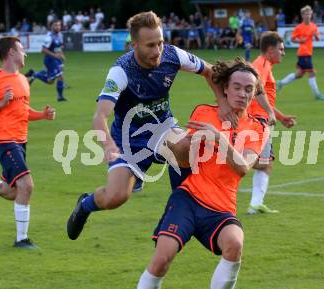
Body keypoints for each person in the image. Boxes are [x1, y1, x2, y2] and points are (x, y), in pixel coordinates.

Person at [66, 11, 241, 241]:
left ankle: (183, 208)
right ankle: (85, 205)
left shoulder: (172, 55)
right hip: (128, 140)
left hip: (162, 127)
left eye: (160, 42)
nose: (157, 51)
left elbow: (209, 71)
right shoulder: (121, 71)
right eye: (150, 45)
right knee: (115, 197)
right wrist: (108, 146)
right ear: (133, 45)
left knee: (186, 147)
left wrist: (222, 102)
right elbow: (100, 116)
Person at [136, 57, 266, 289]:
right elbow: (183, 156)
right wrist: (187, 140)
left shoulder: (257, 127)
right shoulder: (204, 112)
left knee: (234, 243)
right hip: (188, 198)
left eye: (249, 89)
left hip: (221, 207)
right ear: (225, 88)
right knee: (162, 259)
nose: (242, 93)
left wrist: (218, 138)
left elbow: (243, 167)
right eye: (236, 87)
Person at [0, 36, 56, 248]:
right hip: (5, 140)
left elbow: (22, 110)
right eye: (22, 49)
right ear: (11, 53)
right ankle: (21, 240)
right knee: (27, 185)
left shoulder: (23, 80)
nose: (25, 53)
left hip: (21, 141)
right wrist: (2, 102)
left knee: (13, 191)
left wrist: (42, 115)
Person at [246, 32, 296, 214]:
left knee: (266, 163)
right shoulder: (261, 65)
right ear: (270, 49)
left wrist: (281, 117)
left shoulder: (265, 65)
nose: (283, 53)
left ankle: (255, 205)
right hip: (257, 120)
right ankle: (226, 159)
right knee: (263, 162)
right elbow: (257, 92)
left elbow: (265, 98)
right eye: (281, 50)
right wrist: (267, 113)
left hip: (261, 118)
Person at [277, 5, 324, 100]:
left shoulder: (313, 26)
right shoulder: (299, 27)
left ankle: (280, 83)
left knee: (299, 74)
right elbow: (292, 39)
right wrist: (300, 41)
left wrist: (315, 36)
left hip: (308, 53)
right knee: (312, 73)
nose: (308, 15)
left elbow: (318, 38)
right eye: (306, 14)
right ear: (302, 15)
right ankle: (317, 95)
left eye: (309, 13)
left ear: (311, 14)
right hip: (303, 53)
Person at [27, 20, 67, 101]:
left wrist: (61, 55)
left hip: (56, 59)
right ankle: (60, 97)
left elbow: (58, 47)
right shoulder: (49, 37)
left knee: (51, 81)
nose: (58, 27)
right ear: (51, 26)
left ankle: (35, 74)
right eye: (56, 25)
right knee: (59, 76)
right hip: (50, 60)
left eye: (59, 25)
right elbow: (43, 50)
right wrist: (55, 55)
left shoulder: (60, 35)